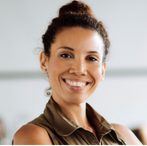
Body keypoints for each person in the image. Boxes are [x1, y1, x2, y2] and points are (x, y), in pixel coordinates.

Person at [13, 1, 143, 145]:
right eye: (66, 55)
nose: (79, 69)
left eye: (91, 58)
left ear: (102, 70)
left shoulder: (123, 135)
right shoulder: (32, 135)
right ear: (44, 61)